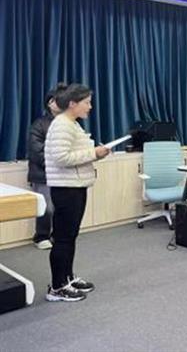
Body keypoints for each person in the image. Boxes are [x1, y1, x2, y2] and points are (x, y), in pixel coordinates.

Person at [44, 83, 110, 302]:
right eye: (87, 102)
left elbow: (76, 153)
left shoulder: (72, 124)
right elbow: (61, 158)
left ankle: (67, 278)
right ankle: (57, 288)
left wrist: (96, 153)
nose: (90, 107)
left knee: (70, 236)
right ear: (73, 103)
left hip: (75, 186)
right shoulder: (62, 125)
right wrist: (94, 153)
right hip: (66, 189)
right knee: (63, 238)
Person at [27, 83, 67, 249]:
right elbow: (36, 150)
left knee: (61, 207)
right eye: (58, 100)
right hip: (43, 173)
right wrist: (54, 164)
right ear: (50, 103)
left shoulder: (70, 123)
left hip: (64, 174)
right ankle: (41, 236)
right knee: (47, 207)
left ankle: (57, 235)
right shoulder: (40, 124)